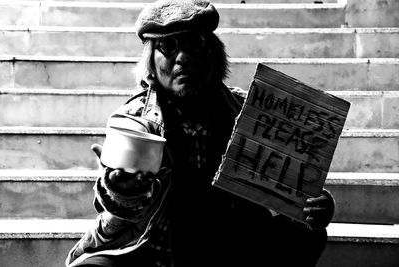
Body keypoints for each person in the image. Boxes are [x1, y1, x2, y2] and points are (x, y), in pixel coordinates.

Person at [66, 0, 335, 266]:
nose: (183, 57)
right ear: (151, 61)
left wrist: (315, 206)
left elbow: (290, 187)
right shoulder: (132, 119)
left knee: (306, 233)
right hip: (155, 251)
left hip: (232, 247)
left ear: (213, 53)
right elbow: (117, 210)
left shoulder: (246, 111)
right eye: (168, 46)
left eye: (194, 43)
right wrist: (122, 190)